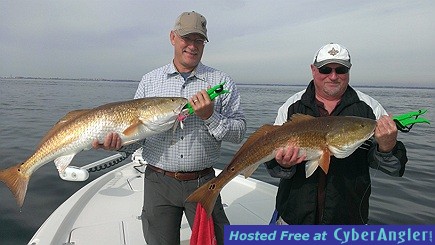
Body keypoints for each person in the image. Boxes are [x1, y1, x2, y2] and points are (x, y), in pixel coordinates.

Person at [93, 11, 246, 244]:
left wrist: (210, 116)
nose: (192, 46)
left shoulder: (221, 82)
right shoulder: (149, 81)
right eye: (187, 38)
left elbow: (239, 132)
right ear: (173, 37)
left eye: (199, 40)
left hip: (203, 182)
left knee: (216, 241)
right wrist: (116, 144)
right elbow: (138, 135)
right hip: (158, 182)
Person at [265, 43, 408, 225]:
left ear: (349, 71)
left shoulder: (370, 109)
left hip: (349, 222)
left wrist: (387, 147)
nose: (333, 76)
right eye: (325, 69)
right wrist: (283, 165)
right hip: (293, 220)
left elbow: (394, 169)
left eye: (340, 69)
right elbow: (272, 167)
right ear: (313, 70)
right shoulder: (292, 107)